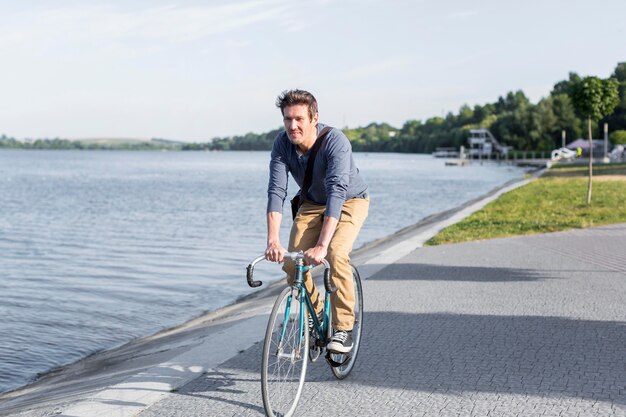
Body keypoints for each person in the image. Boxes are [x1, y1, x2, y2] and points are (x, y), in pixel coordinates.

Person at [265, 89, 369, 353]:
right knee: (291, 263)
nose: (293, 125)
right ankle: (318, 313)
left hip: (349, 200)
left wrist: (322, 245)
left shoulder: (336, 141)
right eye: (287, 119)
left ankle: (344, 328)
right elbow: (276, 191)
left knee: (335, 253)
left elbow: (336, 190)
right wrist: (272, 240)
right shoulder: (282, 144)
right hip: (312, 202)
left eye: (299, 118)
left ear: (314, 118)